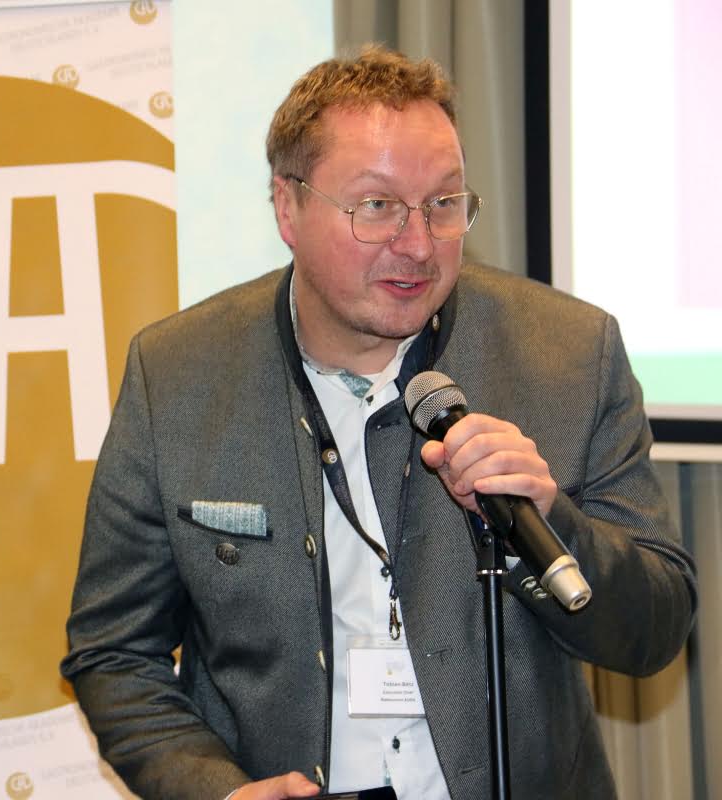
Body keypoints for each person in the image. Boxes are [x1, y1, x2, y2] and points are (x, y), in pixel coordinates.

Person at [61, 45, 697, 800]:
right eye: (377, 207)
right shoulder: (177, 375)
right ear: (288, 207)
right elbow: (113, 653)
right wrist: (217, 791)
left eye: (443, 203)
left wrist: (549, 518)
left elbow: (655, 631)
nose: (419, 245)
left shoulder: (568, 354)